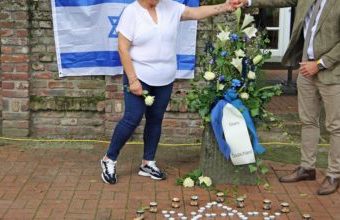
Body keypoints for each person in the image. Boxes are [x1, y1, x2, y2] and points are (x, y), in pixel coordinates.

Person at [232, 0, 340, 195]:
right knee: (308, 121)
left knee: (335, 126)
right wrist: (249, 1)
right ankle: (307, 168)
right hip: (306, 70)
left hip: (333, 73)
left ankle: (333, 175)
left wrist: (319, 64)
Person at [101, 0, 239, 184]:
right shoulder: (131, 12)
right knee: (132, 118)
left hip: (165, 77)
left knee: (155, 119)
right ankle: (109, 159)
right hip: (139, 76)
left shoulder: (171, 7)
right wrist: (133, 79)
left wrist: (225, 6)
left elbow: (195, 13)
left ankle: (148, 162)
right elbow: (122, 48)